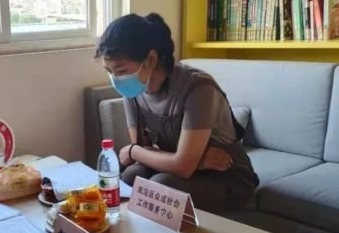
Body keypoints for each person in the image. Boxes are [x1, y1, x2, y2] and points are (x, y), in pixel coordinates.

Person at [95, 12, 259, 213]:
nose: (115, 79)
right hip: (188, 170)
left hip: (226, 177)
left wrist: (133, 151)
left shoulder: (198, 88)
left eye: (120, 71)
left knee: (161, 186)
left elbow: (154, 156)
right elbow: (149, 154)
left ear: (151, 59)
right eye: (109, 71)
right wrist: (194, 162)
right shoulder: (133, 91)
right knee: (131, 176)